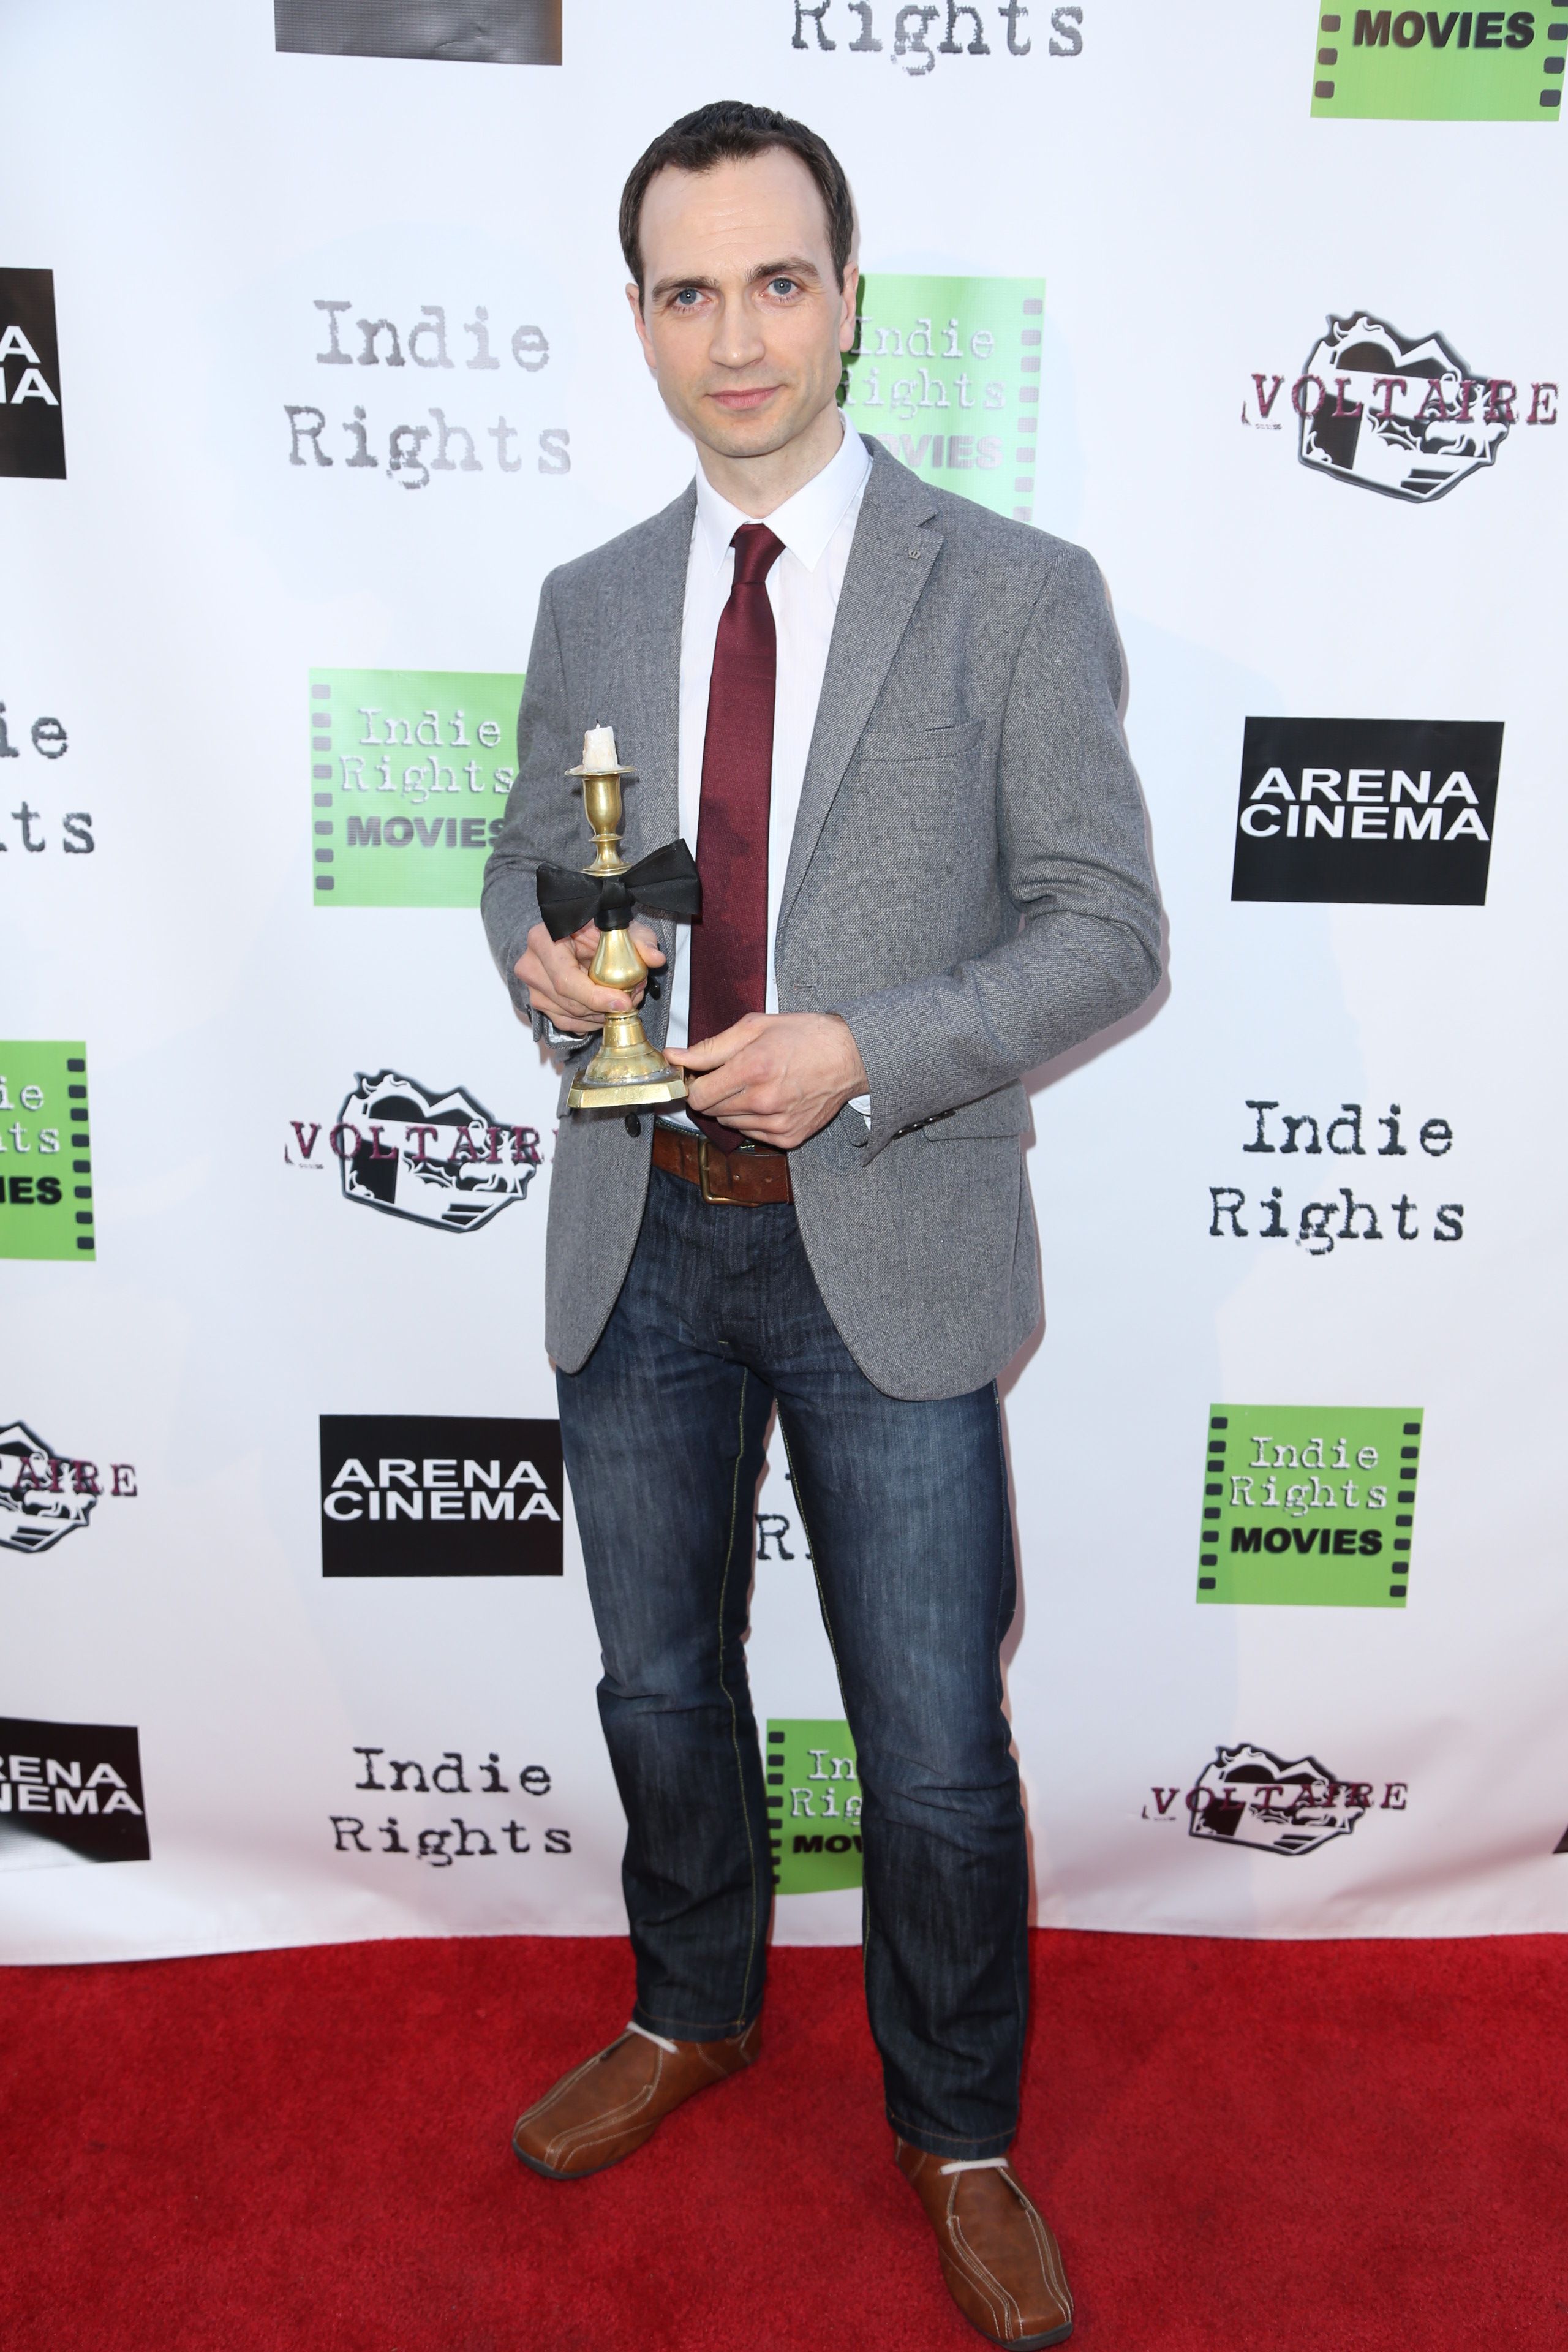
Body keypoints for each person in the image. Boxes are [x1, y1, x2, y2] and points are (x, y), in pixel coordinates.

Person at [482, 99, 1161, 2350]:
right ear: (645, 323)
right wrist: (542, 961)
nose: (738, 332)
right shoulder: (590, 598)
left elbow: (1106, 933)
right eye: (690, 290)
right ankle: (695, 2007)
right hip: (638, 1232)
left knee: (933, 1745)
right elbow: (523, 866)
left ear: (852, 301)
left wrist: (863, 1043)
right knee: (660, 1683)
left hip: (890, 1230)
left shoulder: (1018, 590)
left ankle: (959, 2130)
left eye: (780, 281)